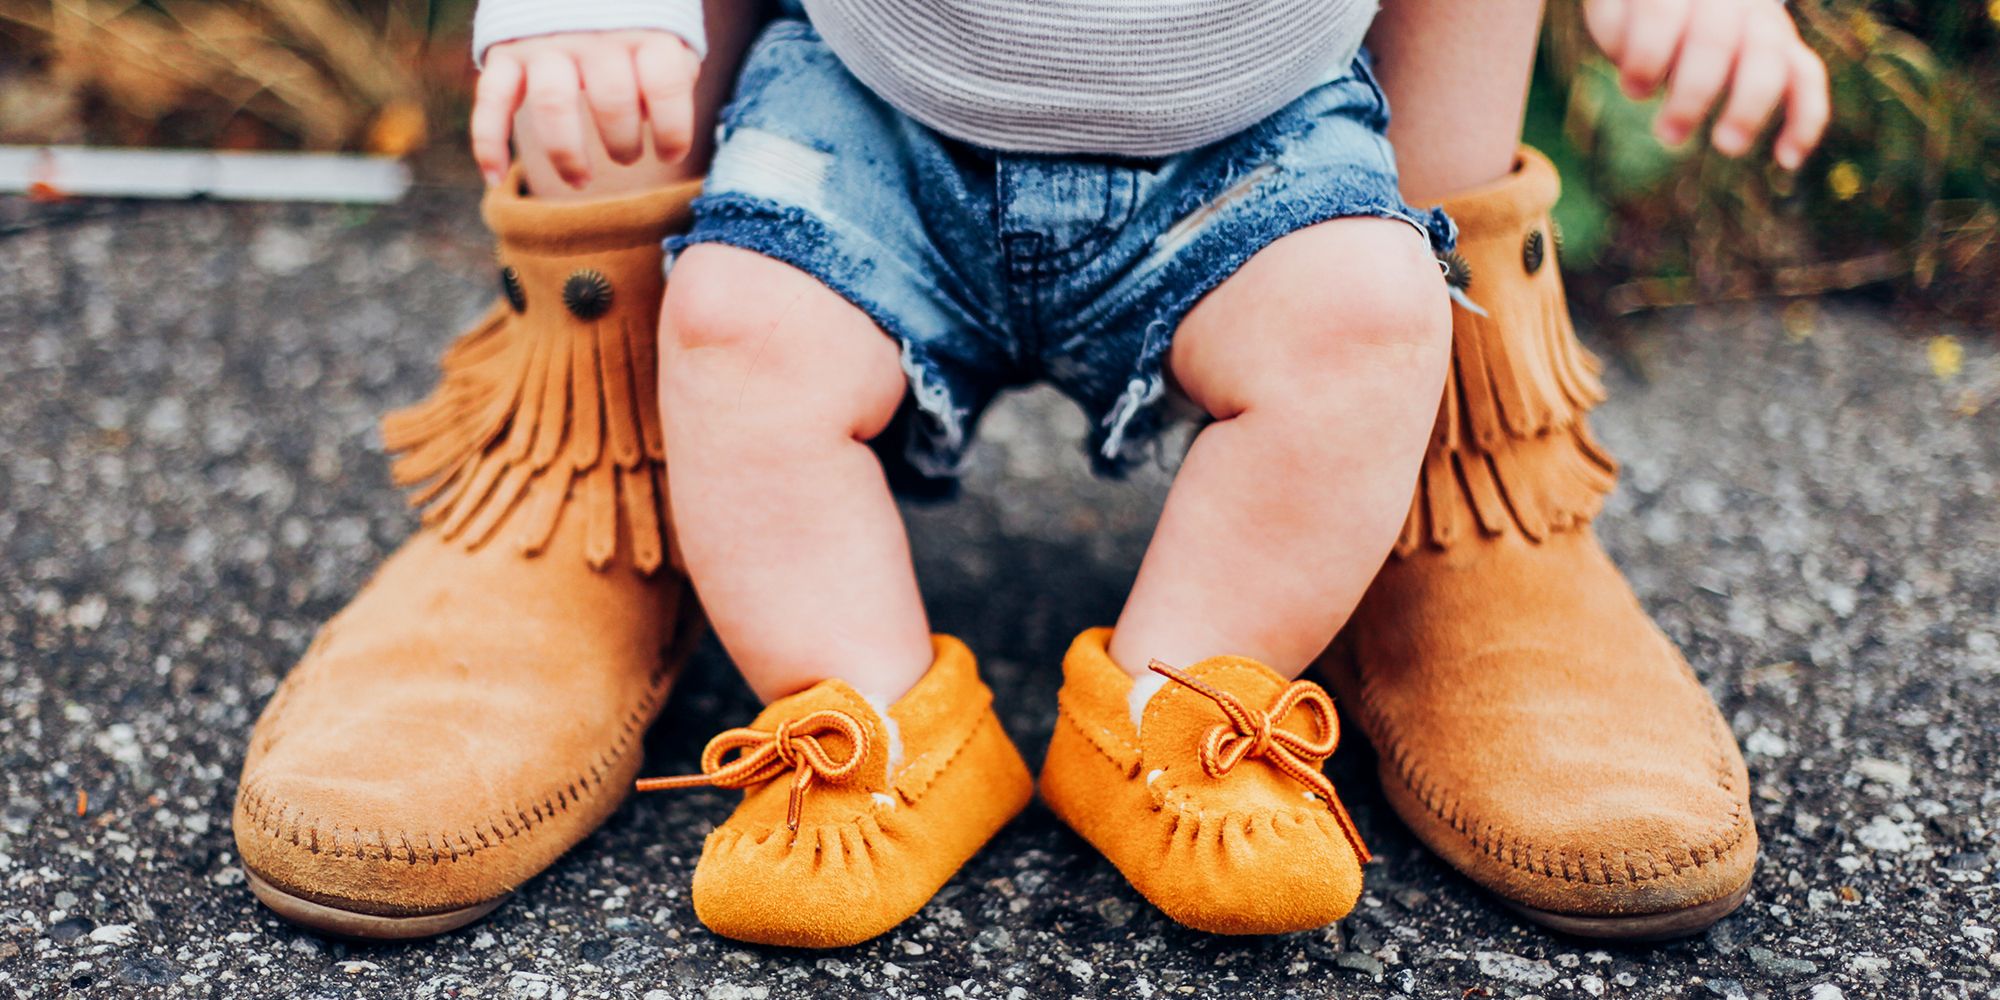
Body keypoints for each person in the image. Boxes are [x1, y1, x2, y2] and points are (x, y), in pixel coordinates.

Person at [230, 0, 1828, 945]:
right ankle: (856, 721)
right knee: (732, 336)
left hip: (1257, 132)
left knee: (1363, 321)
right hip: (872, 105)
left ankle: (1185, 705)